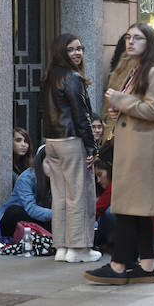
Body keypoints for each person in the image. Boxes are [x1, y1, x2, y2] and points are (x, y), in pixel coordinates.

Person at [86, 23, 154, 285]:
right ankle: (147, 266)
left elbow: (153, 110)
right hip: (135, 150)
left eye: (137, 38)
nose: (131, 42)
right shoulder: (136, 70)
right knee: (138, 211)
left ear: (148, 43)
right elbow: (139, 108)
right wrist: (121, 111)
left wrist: (120, 101)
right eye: (128, 37)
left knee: (127, 209)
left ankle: (118, 266)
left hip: (143, 153)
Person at [39, 33, 100, 263]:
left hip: (52, 142)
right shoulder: (73, 78)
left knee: (61, 196)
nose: (78, 53)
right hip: (72, 141)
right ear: (61, 52)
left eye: (80, 48)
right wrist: (92, 147)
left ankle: (62, 247)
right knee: (79, 194)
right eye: (72, 50)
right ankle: (78, 248)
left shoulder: (48, 77)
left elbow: (42, 112)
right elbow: (82, 116)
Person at [0, 145, 52, 237]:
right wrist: (58, 214)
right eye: (48, 162)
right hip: (14, 219)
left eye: (56, 163)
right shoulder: (27, 178)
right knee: (14, 211)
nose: (53, 167)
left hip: (37, 219)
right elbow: (31, 209)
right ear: (40, 162)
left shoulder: (58, 179)